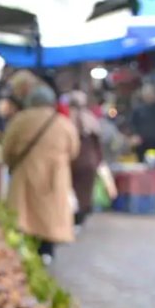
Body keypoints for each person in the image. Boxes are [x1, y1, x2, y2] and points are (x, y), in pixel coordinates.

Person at [2, 80, 80, 265]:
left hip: (26, 174)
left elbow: (7, 149)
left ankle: (26, 249)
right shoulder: (63, 123)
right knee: (50, 214)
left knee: (25, 213)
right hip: (55, 176)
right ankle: (47, 250)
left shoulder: (20, 120)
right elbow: (74, 150)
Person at [68, 91, 103, 229]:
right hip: (88, 161)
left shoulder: (66, 118)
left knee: (73, 190)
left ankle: (75, 219)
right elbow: (97, 143)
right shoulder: (91, 118)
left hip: (72, 161)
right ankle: (80, 218)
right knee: (85, 192)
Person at [130, 84, 155, 162]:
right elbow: (133, 123)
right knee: (141, 163)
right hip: (142, 142)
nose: (150, 96)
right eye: (147, 94)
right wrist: (134, 135)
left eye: (151, 94)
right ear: (143, 96)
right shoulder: (138, 109)